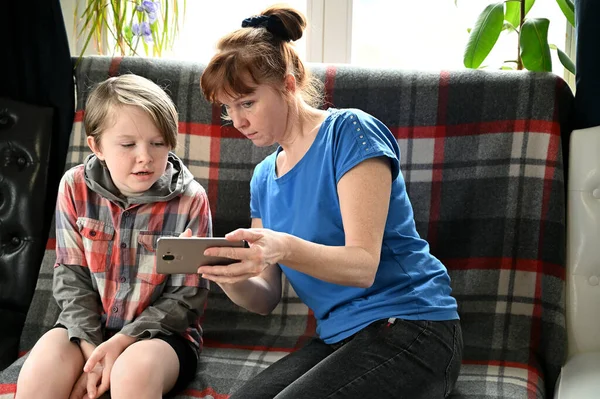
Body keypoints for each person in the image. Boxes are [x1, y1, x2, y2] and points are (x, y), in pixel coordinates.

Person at [194, 5, 463, 399]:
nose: (237, 121)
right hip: (341, 338)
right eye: (227, 108)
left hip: (414, 325)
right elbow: (265, 297)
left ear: (288, 84)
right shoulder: (264, 178)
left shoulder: (350, 132)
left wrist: (281, 246)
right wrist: (225, 273)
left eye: (247, 103)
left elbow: (362, 266)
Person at [15, 74, 212, 399]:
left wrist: (121, 345)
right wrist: (95, 353)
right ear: (97, 146)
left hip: (161, 337)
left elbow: (185, 299)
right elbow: (71, 277)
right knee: (40, 374)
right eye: (127, 144)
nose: (145, 156)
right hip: (86, 329)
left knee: (132, 373)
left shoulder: (191, 200)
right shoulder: (74, 186)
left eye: (158, 143)